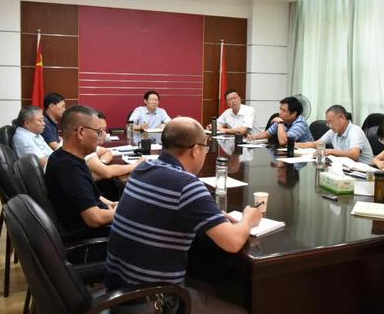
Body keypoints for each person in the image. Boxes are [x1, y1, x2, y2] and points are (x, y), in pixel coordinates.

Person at [105, 117, 261, 312]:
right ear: (195, 150)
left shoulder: (142, 169)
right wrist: (248, 218)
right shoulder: (186, 184)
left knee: (209, 286)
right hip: (153, 303)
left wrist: (211, 216)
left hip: (117, 293)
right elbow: (233, 242)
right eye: (205, 147)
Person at [45, 105, 116, 234]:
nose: (101, 137)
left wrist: (110, 205)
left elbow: (88, 197)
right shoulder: (68, 169)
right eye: (98, 132)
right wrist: (126, 211)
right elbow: (95, 219)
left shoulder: (64, 157)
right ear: (81, 132)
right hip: (91, 237)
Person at [86, 111, 143, 200]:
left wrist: (101, 164)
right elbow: (108, 172)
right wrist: (136, 165)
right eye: (100, 130)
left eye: (104, 129)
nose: (105, 134)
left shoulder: (90, 146)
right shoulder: (85, 148)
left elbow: (107, 152)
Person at [296, 105, 374, 164]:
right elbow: (316, 144)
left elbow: (354, 155)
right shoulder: (333, 131)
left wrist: (330, 151)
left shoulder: (355, 131)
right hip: (346, 168)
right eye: (327, 123)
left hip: (364, 172)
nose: (329, 126)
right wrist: (294, 145)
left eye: (331, 122)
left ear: (342, 118)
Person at [248, 96, 313, 145]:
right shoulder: (283, 119)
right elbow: (267, 133)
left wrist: (280, 123)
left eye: (283, 110)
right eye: (280, 109)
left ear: (294, 113)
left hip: (306, 155)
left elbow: (283, 142)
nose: (280, 113)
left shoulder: (300, 124)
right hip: (291, 152)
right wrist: (253, 137)